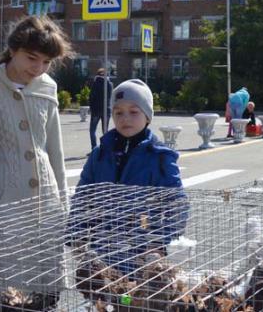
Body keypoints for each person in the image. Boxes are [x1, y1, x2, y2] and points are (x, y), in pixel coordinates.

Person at [0, 16, 74, 294]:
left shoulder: (47, 86)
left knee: (45, 291)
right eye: (32, 58)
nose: (39, 68)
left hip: (47, 203)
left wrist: (63, 205)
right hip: (1, 203)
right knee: (3, 290)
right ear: (12, 49)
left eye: (46, 62)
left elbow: (55, 151)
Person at [68, 79, 188, 276]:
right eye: (118, 112)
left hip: (143, 251)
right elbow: (82, 197)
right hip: (103, 246)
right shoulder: (99, 154)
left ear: (147, 116)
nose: (126, 119)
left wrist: (160, 242)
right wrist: (77, 235)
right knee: (104, 298)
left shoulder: (160, 157)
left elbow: (177, 204)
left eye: (134, 112)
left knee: (137, 299)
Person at [88, 68, 113, 150]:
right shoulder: (109, 84)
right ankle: (105, 148)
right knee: (105, 131)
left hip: (96, 110)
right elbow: (111, 97)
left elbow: (91, 97)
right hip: (106, 110)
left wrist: (91, 108)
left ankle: (94, 148)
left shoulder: (95, 83)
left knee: (92, 130)